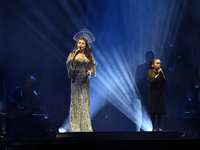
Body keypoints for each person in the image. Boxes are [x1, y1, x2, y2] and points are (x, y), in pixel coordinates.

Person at [66, 35, 97, 132]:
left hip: (85, 81)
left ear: (85, 45)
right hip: (75, 80)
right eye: (79, 43)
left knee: (84, 102)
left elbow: (93, 65)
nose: (81, 44)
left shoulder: (89, 55)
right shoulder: (72, 54)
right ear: (77, 44)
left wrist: (90, 71)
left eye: (83, 43)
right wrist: (74, 55)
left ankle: (85, 127)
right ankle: (75, 127)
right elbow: (68, 64)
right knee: (76, 102)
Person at [7, 76, 44, 140]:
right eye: (29, 83)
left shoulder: (32, 92)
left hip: (27, 118)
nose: (29, 85)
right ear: (26, 81)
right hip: (17, 117)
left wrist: (39, 108)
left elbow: (34, 105)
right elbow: (8, 97)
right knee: (16, 135)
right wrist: (16, 105)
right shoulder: (18, 89)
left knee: (27, 135)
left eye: (31, 84)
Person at [148, 59, 167, 131]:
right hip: (153, 94)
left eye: (159, 63)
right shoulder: (150, 72)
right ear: (153, 65)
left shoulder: (161, 71)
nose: (159, 65)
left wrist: (162, 74)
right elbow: (152, 81)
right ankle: (154, 127)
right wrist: (157, 74)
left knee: (159, 111)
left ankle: (159, 127)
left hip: (160, 94)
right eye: (157, 63)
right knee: (153, 111)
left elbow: (165, 82)